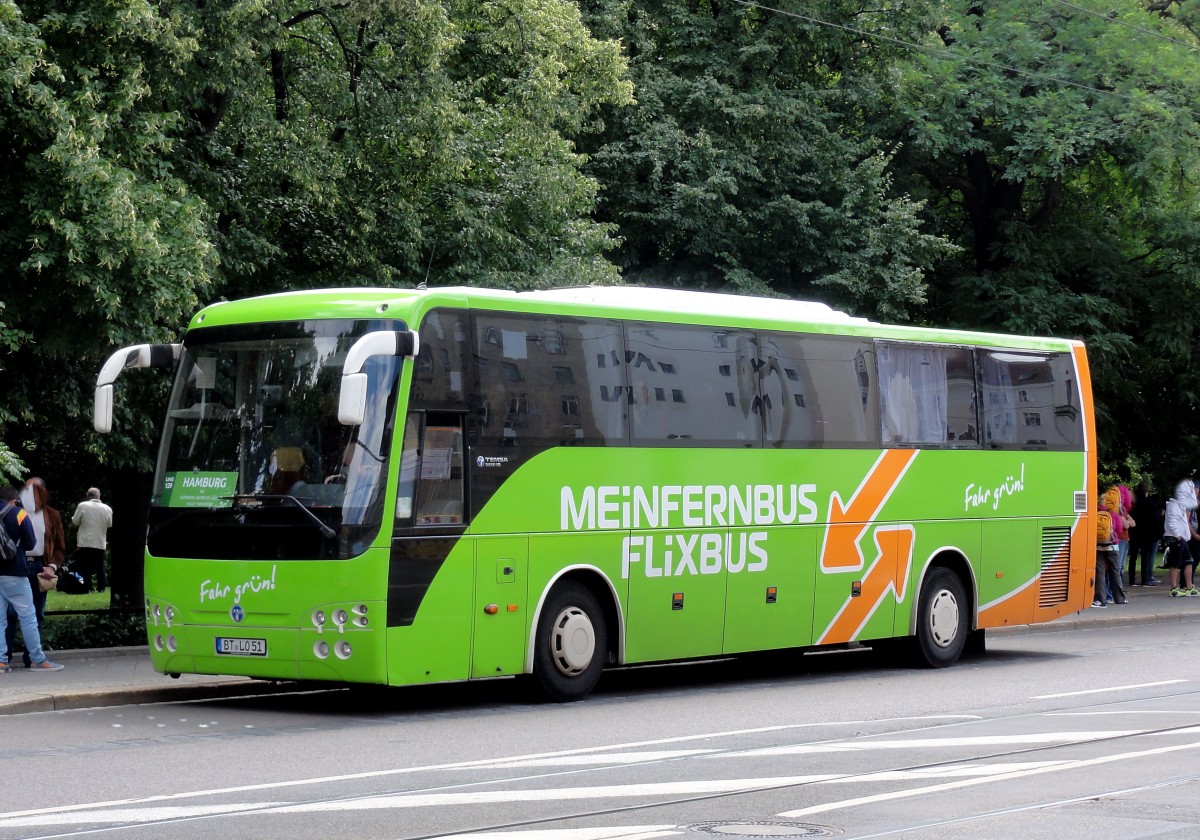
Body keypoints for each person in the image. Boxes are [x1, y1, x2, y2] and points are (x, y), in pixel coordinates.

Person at [0, 485, 63, 672]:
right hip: (15, 573)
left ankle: (2, 661)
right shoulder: (19, 514)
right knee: (28, 617)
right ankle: (37, 659)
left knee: (0, 619)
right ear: (13, 500)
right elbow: (31, 543)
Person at [1161, 473, 1200, 597]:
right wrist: (1178, 536)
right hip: (1176, 538)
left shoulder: (1182, 506)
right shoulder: (1173, 506)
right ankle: (1173, 588)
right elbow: (1172, 523)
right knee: (1175, 563)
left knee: (1189, 561)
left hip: (1182, 538)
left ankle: (1189, 587)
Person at [71, 487, 112, 593]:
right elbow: (109, 524)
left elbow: (75, 521)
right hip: (100, 541)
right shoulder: (107, 508)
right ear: (99, 496)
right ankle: (101, 587)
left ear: (88, 496)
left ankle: (88, 587)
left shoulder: (83, 506)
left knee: (85, 565)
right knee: (100, 566)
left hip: (85, 541)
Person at [1094, 489, 1127, 607]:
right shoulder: (1114, 514)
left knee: (1100, 572)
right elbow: (1119, 530)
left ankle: (1100, 600)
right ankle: (1119, 598)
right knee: (1115, 571)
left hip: (1098, 547)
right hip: (1112, 546)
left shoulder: (1094, 513)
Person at [1130, 480, 1164, 586]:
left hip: (1134, 531)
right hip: (1147, 532)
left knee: (1133, 557)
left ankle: (1132, 579)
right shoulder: (1150, 503)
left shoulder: (1134, 504)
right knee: (1145, 556)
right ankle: (1144, 579)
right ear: (1147, 491)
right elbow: (1155, 518)